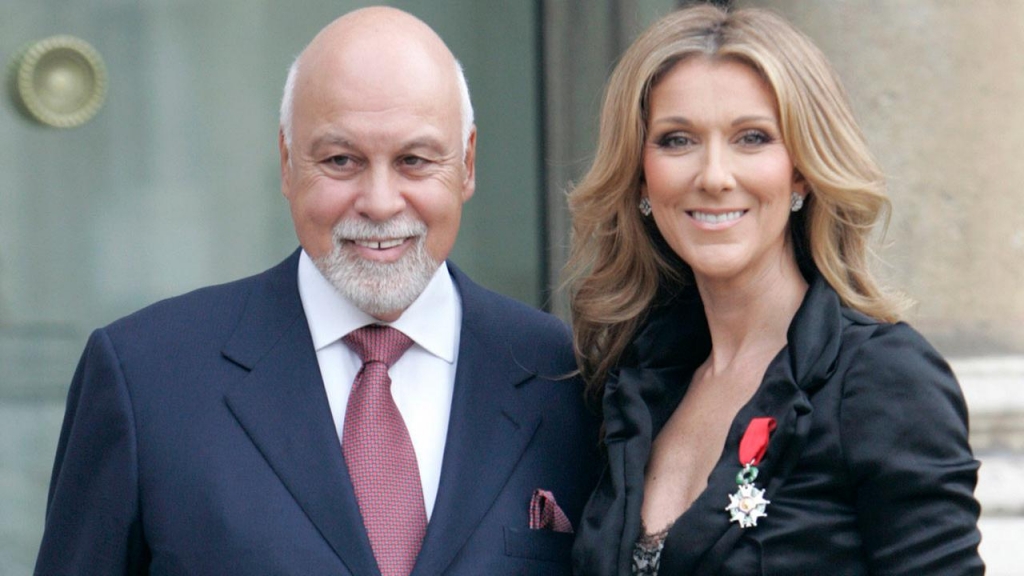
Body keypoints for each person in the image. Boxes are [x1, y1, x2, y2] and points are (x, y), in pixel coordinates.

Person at [34, 7, 599, 576]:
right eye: (340, 160)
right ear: (287, 162)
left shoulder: (565, 378)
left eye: (414, 161)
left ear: (468, 163)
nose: (380, 202)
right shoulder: (147, 377)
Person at [565, 5, 983, 575]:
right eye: (677, 139)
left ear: (802, 172)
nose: (713, 175)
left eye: (752, 138)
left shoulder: (881, 378)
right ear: (640, 175)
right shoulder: (633, 381)